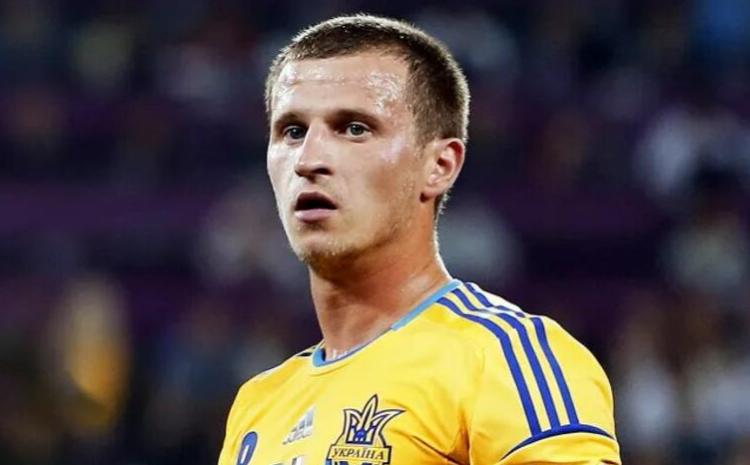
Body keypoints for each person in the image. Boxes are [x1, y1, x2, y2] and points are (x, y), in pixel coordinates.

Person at [218, 14, 620, 465]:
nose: (308, 159)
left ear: (439, 166)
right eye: (292, 131)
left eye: (354, 128)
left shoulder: (504, 355)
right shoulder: (257, 406)